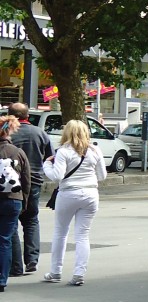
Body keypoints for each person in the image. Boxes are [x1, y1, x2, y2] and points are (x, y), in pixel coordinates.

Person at [41, 118, 105, 286]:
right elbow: (102, 176)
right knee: (83, 235)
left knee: (60, 233)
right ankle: (79, 273)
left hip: (69, 193)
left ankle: (55, 271)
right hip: (91, 193)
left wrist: (46, 165)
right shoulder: (95, 150)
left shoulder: (63, 151)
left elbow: (57, 176)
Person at [7, 102, 49, 278]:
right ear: (28, 116)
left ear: (10, 115)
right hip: (35, 181)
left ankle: (15, 264)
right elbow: (49, 157)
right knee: (31, 220)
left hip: (11, 183)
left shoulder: (8, 132)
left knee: (11, 223)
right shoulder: (40, 133)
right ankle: (32, 260)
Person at [0, 115, 31, 293]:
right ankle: (2, 278)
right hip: (13, 199)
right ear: (10, 131)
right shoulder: (18, 152)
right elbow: (26, 181)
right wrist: (24, 202)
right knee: (5, 239)